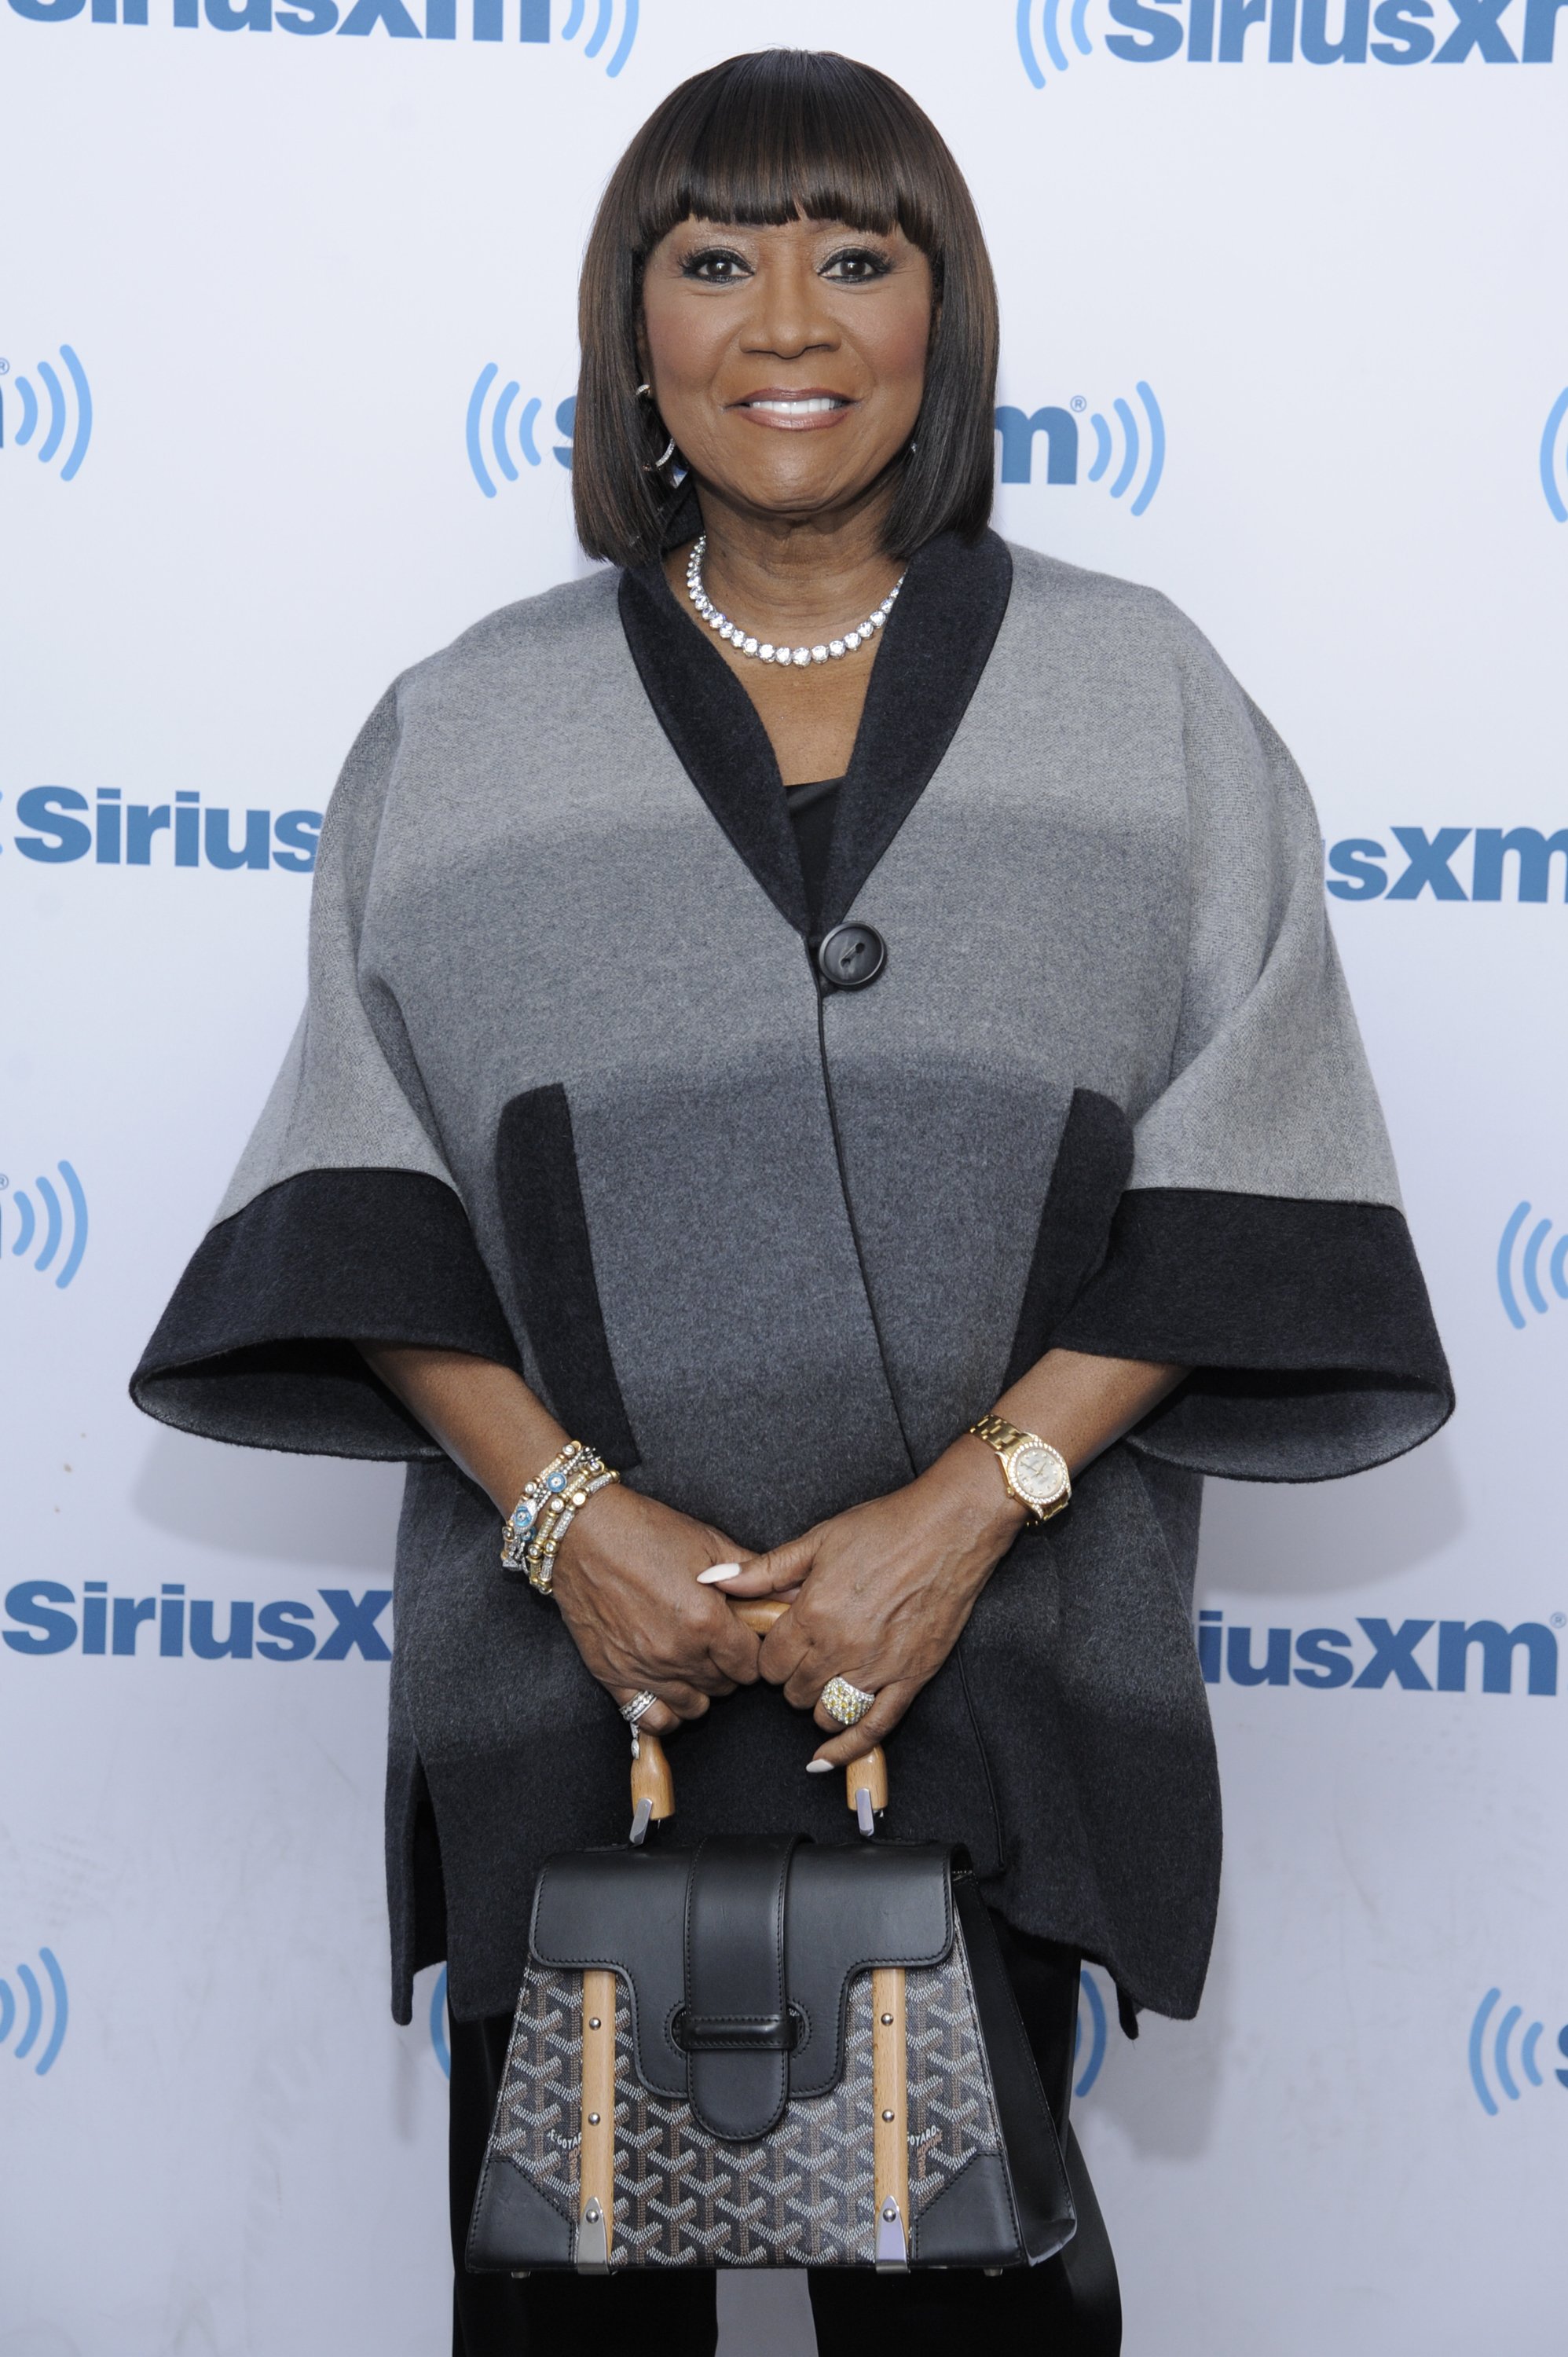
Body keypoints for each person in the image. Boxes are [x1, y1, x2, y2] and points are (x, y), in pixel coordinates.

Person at [132, 46, 1452, 2357]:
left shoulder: (1144, 699)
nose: (786, 320)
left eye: (858, 255)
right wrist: (574, 1531)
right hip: (572, 1690)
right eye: (713, 257)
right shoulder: (461, 725)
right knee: (569, 2313)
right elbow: (366, 1183)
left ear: (942, 319)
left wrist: (959, 1518)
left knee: (972, 2312)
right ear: (627, 327)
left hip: (1001, 1654)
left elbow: (1262, 1155)